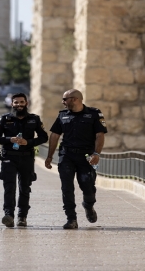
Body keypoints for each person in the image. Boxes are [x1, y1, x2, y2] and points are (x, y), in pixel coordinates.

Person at [44, 89, 107, 229]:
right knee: (67, 187)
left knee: (88, 186)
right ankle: (71, 218)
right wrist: (49, 156)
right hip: (67, 156)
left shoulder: (94, 114)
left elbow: (100, 135)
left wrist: (96, 153)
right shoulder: (62, 115)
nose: (62, 102)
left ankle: (88, 206)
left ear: (74, 99)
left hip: (86, 156)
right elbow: (54, 135)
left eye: (65, 99)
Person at [0, 93, 48, 227]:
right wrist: (9, 139)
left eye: (21, 102)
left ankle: (22, 216)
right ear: (12, 104)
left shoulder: (34, 119)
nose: (19, 105)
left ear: (26, 103)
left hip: (26, 157)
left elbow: (44, 137)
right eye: (16, 102)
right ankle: (9, 215)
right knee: (9, 187)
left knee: (25, 188)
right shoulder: (4, 119)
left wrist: (28, 142)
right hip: (8, 157)